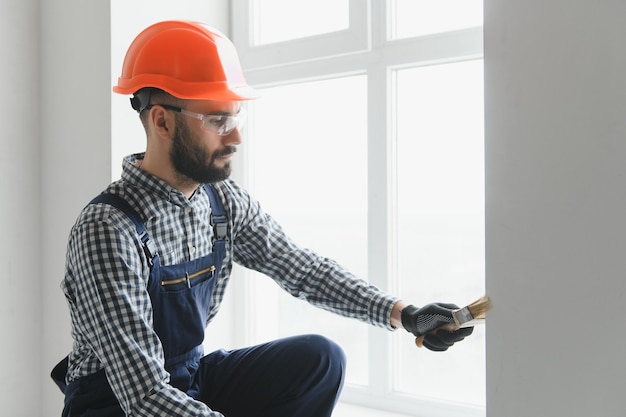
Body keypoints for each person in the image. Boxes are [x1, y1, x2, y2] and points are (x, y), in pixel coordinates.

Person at [51, 20, 474, 417]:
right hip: (118, 403)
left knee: (320, 360)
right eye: (217, 120)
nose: (235, 137)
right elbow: (143, 396)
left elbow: (304, 270)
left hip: (187, 379)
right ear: (161, 121)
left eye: (235, 117)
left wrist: (404, 313)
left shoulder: (221, 202)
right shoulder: (108, 229)